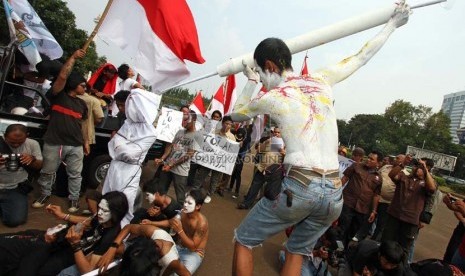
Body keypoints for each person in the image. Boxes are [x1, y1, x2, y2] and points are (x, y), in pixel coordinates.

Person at [229, 2, 410, 275]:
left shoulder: (273, 97)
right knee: (296, 251)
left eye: (261, 72)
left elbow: (236, 115)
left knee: (244, 240)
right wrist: (392, 25)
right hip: (333, 194)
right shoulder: (322, 79)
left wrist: (250, 81)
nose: (262, 79)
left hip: (301, 185)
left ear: (268, 65)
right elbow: (361, 56)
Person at [0, 191, 128, 276]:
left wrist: (76, 245)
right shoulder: (102, 219)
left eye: (105, 211)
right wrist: (63, 216)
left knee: (32, 260)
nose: (99, 213)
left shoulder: (109, 237)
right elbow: (87, 221)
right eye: (99, 208)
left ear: (116, 213)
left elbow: (87, 271)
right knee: (19, 240)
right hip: (58, 241)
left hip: (65, 254)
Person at [32, 49, 88, 212]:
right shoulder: (57, 95)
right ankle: (44, 194)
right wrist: (73, 57)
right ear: (73, 85)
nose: (85, 88)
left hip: (75, 145)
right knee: (47, 172)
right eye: (82, 85)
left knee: (75, 175)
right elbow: (63, 76)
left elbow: (82, 125)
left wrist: (85, 142)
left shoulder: (82, 104)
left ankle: (74, 199)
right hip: (54, 143)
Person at [102, 88, 160, 226]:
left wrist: (121, 147)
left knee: (125, 203)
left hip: (129, 171)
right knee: (107, 198)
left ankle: (120, 233)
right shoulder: (127, 123)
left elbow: (130, 154)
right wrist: (123, 147)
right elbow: (113, 145)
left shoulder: (151, 132)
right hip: (114, 167)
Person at [382, 158, 436, 254]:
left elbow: (432, 188)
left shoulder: (427, 183)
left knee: (404, 248)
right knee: (386, 242)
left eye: (420, 166)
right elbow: (392, 175)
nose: (415, 168)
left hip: (410, 220)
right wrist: (403, 163)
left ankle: (399, 267)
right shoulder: (404, 177)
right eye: (415, 165)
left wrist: (425, 170)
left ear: (427, 168)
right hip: (394, 215)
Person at [0, 123, 43, 227]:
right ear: (5, 136)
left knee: (15, 220)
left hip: (15, 187)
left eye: (20, 142)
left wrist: (32, 159)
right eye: (12, 142)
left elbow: (39, 166)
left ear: (27, 136)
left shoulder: (33, 144)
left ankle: (9, 205)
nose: (16, 145)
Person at [154, 109, 200, 205]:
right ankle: (159, 209)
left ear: (193, 120)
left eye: (186, 120)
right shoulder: (180, 131)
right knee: (161, 191)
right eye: (183, 119)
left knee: (180, 197)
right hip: (167, 167)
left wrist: (172, 165)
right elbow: (170, 146)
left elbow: (189, 154)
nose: (184, 122)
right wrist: (162, 158)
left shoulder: (197, 136)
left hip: (180, 171)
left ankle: (179, 215)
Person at [194, 115, 236, 202]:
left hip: (219, 163)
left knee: (215, 179)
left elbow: (232, 152)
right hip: (209, 160)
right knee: (201, 176)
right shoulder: (214, 132)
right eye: (226, 123)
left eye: (230, 124)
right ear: (222, 123)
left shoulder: (232, 137)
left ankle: (209, 194)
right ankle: (194, 191)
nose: (228, 126)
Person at [169, 189, 209, 275]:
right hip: (178, 247)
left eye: (189, 203)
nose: (185, 205)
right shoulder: (183, 212)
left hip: (194, 254)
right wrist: (151, 222)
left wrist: (179, 230)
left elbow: (193, 247)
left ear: (198, 206)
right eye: (185, 201)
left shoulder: (202, 223)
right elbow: (171, 222)